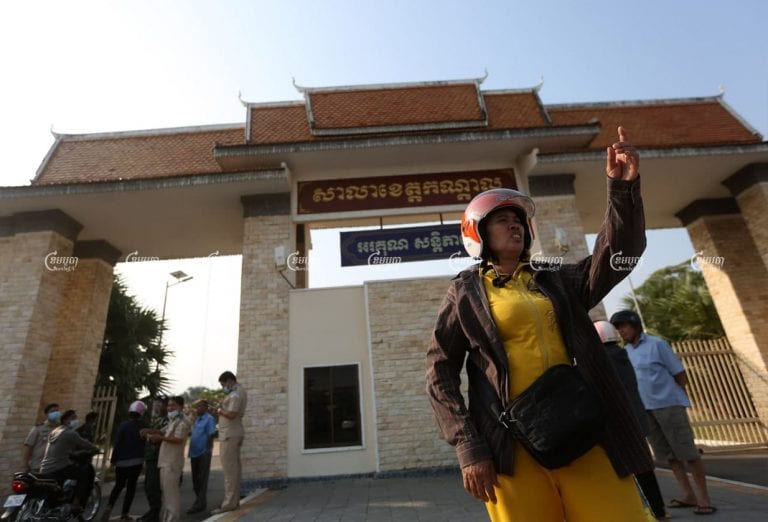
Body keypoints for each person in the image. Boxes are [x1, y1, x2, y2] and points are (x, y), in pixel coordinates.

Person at [426, 127, 655, 521]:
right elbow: (439, 370)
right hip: (510, 449)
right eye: (502, 220)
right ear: (477, 232)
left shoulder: (557, 279)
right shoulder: (465, 292)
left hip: (583, 432)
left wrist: (621, 190)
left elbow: (619, 255)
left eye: (518, 220)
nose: (515, 225)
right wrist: (468, 446)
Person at [610, 310, 717, 516]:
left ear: (635, 325)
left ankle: (704, 499)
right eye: (618, 328)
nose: (621, 331)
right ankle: (688, 495)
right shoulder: (626, 352)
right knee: (669, 456)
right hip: (646, 410)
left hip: (668, 405)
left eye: (624, 326)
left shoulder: (657, 345)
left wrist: (677, 396)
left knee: (688, 453)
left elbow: (679, 374)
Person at [594, 320, 668, 521]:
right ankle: (659, 511)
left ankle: (646, 512)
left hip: (618, 422)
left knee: (628, 470)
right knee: (643, 466)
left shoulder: (603, 359)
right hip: (635, 418)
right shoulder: (622, 354)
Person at [39, 410, 100, 513]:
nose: (75, 420)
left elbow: (63, 449)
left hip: (45, 467)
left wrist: (73, 454)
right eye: (73, 418)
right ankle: (76, 504)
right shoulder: (70, 433)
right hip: (59, 467)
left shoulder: (55, 431)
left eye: (75, 418)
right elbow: (84, 443)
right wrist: (96, 449)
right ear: (65, 420)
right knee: (83, 475)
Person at [144, 396, 190, 522]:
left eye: (173, 405)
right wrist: (150, 431)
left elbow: (178, 439)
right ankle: (167, 518)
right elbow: (162, 431)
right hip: (165, 461)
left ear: (181, 406)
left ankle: (172, 519)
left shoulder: (183, 421)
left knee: (171, 494)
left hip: (172, 462)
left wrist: (160, 438)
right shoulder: (173, 420)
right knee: (166, 494)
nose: (170, 408)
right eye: (169, 405)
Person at [103, 401, 150, 521]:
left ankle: (109, 506)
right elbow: (146, 442)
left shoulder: (123, 425)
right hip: (137, 462)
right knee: (131, 488)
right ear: (141, 413)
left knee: (118, 486)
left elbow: (117, 443)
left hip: (121, 463)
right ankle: (125, 513)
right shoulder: (144, 425)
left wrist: (113, 461)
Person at [211, 371, 247, 515]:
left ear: (230, 381)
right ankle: (234, 500)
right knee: (234, 470)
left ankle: (229, 504)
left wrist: (219, 410)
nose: (223, 388)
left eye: (223, 384)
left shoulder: (235, 394)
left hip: (230, 434)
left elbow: (231, 414)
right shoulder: (238, 392)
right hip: (233, 433)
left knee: (229, 471)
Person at [137, 397, 168, 522]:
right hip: (150, 456)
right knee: (148, 486)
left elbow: (163, 434)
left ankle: (155, 513)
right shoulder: (155, 419)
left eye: (159, 405)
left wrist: (149, 432)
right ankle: (153, 511)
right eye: (155, 405)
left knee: (153, 486)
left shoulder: (167, 420)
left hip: (157, 457)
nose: (156, 408)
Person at [186, 399, 216, 514]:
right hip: (194, 453)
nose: (197, 408)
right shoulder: (197, 419)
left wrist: (207, 450)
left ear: (206, 407)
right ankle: (200, 502)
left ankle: (199, 504)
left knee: (202, 480)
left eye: (200, 406)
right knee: (196, 481)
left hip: (203, 453)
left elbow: (211, 435)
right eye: (197, 406)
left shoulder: (209, 419)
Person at [23, 402, 60, 473]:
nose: (56, 413)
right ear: (47, 414)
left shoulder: (60, 429)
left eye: (57, 411)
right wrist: (25, 465)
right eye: (52, 411)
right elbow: (29, 447)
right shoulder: (38, 428)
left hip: (55, 467)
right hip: (38, 466)